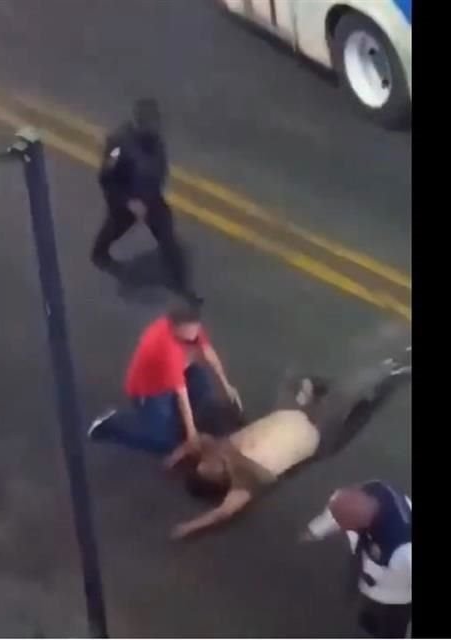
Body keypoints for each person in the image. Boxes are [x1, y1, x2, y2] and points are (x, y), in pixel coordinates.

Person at [165, 348, 411, 540]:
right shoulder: (243, 484)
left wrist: (175, 458)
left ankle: (387, 368)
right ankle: (390, 380)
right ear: (217, 481)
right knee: (361, 411)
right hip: (319, 434)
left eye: (203, 463)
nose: (209, 461)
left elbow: (197, 443)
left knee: (315, 384)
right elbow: (222, 513)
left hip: (292, 412)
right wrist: (189, 527)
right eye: (209, 469)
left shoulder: (219, 449)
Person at [88, 299, 241, 455]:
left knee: (203, 396)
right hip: (151, 390)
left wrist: (226, 385)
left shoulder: (190, 328)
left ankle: (184, 422)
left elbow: (208, 351)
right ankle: (110, 423)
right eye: (188, 338)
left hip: (182, 370)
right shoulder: (167, 349)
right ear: (176, 329)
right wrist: (192, 434)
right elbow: (182, 395)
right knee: (164, 441)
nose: (194, 339)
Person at [91, 98, 199, 303]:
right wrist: (128, 202)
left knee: (168, 238)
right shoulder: (118, 145)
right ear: (137, 123)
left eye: (155, 125)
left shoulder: (156, 141)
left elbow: (160, 167)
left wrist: (154, 193)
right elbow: (106, 178)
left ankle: (181, 284)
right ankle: (100, 254)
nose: (154, 129)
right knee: (113, 230)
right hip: (126, 203)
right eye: (149, 125)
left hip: (152, 200)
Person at [301, 481, 412, 639]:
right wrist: (315, 531)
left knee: (392, 628)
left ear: (364, 523)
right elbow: (337, 512)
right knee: (370, 614)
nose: (344, 529)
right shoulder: (370, 492)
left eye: (347, 526)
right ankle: (371, 621)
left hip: (396, 597)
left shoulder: (404, 549)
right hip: (369, 582)